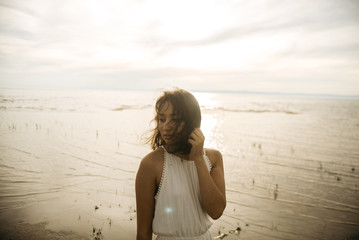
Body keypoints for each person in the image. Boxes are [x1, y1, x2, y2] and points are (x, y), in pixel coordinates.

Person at [135, 88, 226, 240]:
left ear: (191, 121)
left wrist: (198, 159)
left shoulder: (214, 158)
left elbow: (216, 211)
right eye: (162, 119)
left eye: (175, 119)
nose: (166, 126)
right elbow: (143, 233)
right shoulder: (151, 164)